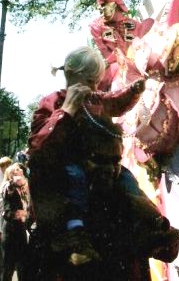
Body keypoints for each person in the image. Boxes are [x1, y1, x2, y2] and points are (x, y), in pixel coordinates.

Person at [27, 45, 145, 267]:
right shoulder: (53, 101)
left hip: (107, 181)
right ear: (71, 74)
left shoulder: (97, 99)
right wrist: (67, 111)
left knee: (130, 183)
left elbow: (116, 100)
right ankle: (75, 235)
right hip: (72, 178)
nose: (92, 86)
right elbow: (38, 151)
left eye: (96, 81)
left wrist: (133, 92)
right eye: (88, 80)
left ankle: (154, 227)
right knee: (75, 178)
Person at [27, 117, 179, 281]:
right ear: (78, 160)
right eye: (98, 160)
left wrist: (154, 227)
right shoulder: (63, 202)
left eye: (115, 161)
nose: (109, 169)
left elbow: (168, 251)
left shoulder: (126, 195)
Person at [1, 163, 31, 281]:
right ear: (10, 176)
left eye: (19, 169)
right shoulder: (8, 187)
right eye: (15, 171)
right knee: (7, 267)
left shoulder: (24, 187)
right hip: (10, 232)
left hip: (21, 230)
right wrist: (13, 182)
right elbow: (8, 189)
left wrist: (26, 214)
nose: (19, 171)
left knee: (23, 266)